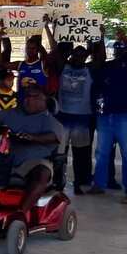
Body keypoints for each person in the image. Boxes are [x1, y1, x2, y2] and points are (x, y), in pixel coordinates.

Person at [0, 85, 65, 185]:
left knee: (42, 173)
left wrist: (33, 137)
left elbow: (54, 137)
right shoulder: (13, 113)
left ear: (45, 101)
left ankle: (27, 201)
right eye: (28, 96)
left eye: (35, 97)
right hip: (6, 160)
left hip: (34, 162)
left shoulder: (48, 118)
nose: (29, 100)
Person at [90, 37, 127, 197]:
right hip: (105, 115)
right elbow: (99, 60)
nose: (118, 51)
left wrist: (124, 38)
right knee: (102, 152)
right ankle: (99, 184)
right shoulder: (106, 66)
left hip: (125, 115)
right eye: (116, 49)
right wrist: (101, 37)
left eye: (121, 49)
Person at [55, 45, 95, 193]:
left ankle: (79, 183)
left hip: (82, 118)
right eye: (76, 55)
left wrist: (101, 37)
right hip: (63, 116)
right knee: (60, 153)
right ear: (71, 55)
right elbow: (56, 51)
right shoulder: (63, 67)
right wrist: (47, 27)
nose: (79, 58)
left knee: (80, 154)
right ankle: (58, 182)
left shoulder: (90, 69)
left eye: (82, 55)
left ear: (86, 57)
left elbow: (101, 58)